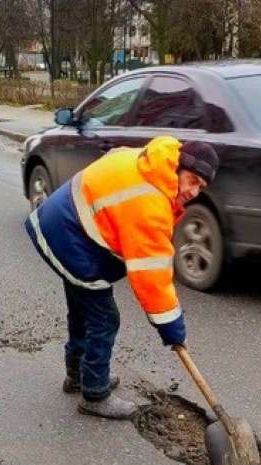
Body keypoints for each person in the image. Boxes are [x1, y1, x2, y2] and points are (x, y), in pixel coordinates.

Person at [25, 137, 219, 419]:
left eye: (201, 186)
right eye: (191, 180)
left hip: (62, 224)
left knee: (83, 310)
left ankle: (78, 375)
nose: (193, 191)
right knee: (104, 319)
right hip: (71, 237)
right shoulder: (150, 203)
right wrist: (173, 329)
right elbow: (152, 279)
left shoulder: (150, 160)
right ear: (178, 166)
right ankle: (94, 393)